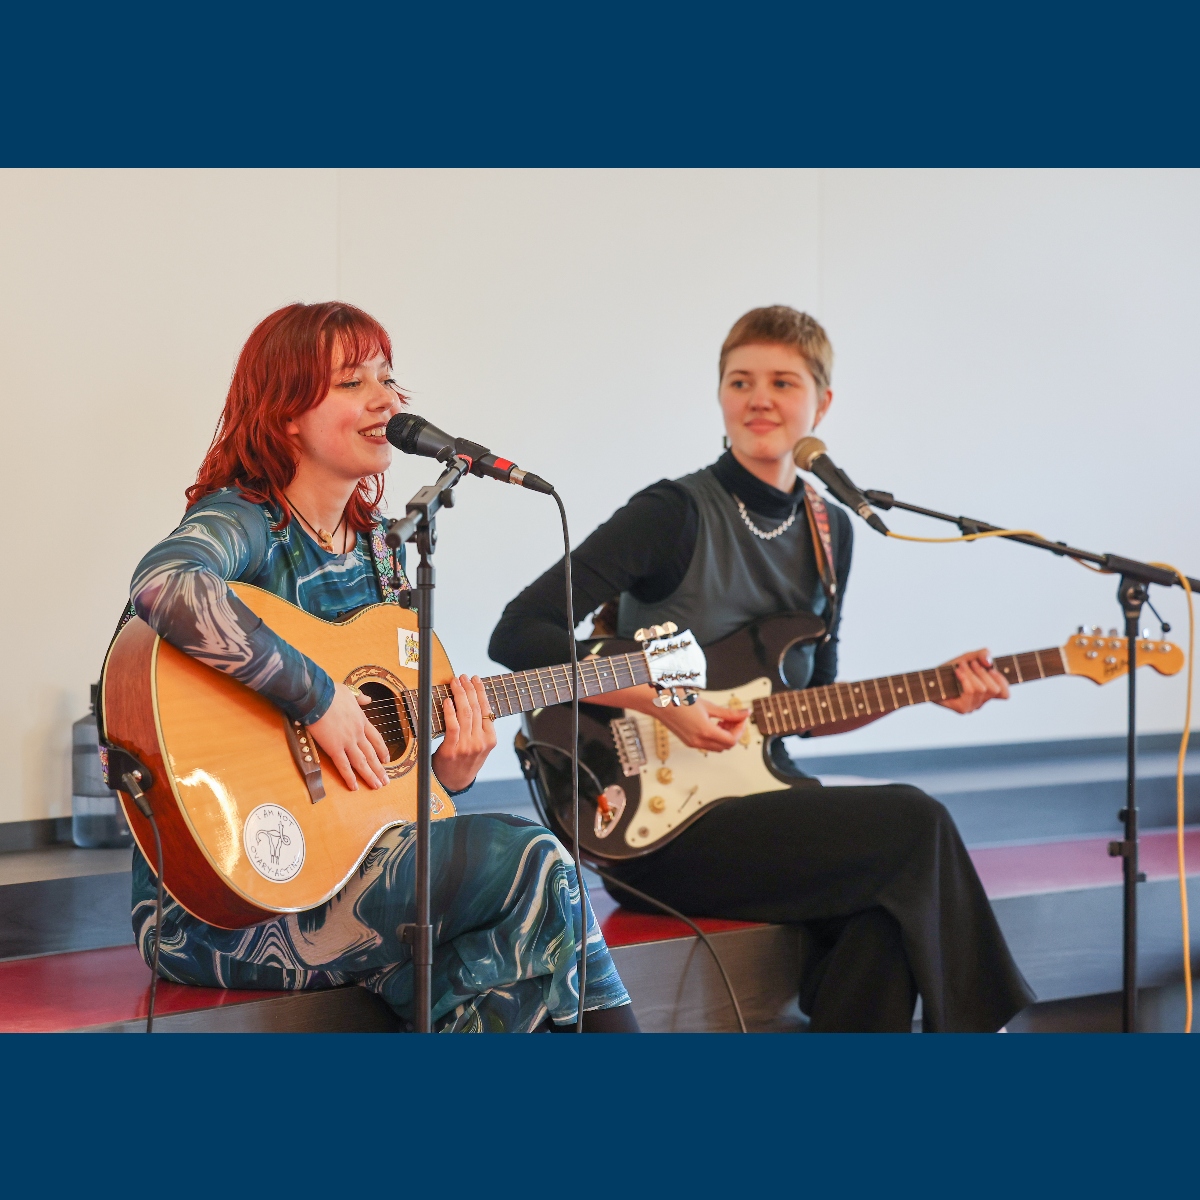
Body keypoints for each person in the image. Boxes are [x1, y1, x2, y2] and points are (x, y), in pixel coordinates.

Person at [490, 306, 1034, 1032]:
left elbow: (809, 706)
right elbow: (519, 632)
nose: (759, 398)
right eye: (740, 380)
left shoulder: (832, 527)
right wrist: (661, 701)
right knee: (916, 818)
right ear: (720, 395)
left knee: (885, 921)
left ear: (822, 403)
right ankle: (983, 1033)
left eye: (783, 381)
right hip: (653, 823)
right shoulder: (670, 512)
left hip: (764, 794)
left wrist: (930, 692)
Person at [118, 301, 638, 1032]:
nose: (386, 401)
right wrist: (315, 697)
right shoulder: (246, 522)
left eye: (389, 380)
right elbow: (164, 585)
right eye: (351, 382)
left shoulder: (382, 554)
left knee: (504, 960)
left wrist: (444, 774)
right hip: (226, 905)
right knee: (538, 862)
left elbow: (370, 790)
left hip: (352, 870)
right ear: (286, 414)